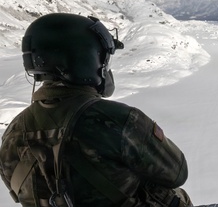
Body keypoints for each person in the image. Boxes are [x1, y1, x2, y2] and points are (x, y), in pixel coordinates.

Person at [0, 13, 192, 207]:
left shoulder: (11, 135)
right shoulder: (119, 120)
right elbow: (177, 172)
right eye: (103, 60)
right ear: (84, 58)